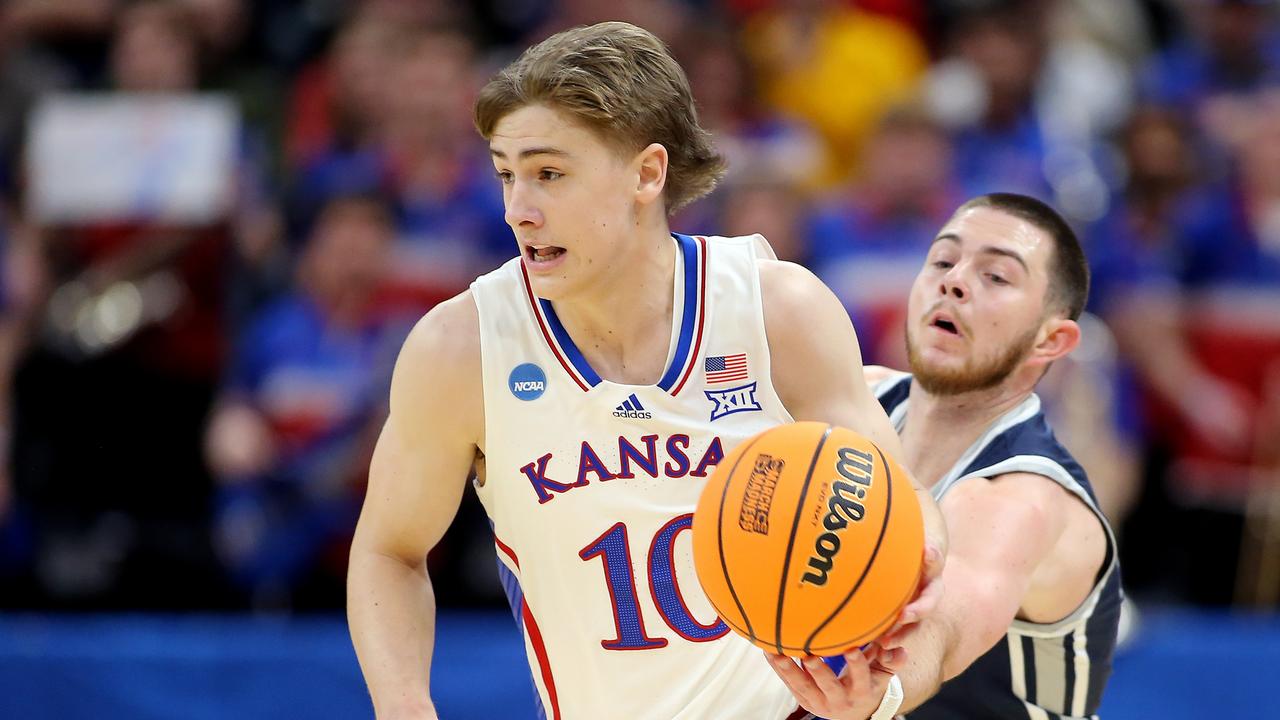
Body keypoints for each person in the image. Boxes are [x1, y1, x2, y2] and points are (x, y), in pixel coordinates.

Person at [346, 21, 945, 720]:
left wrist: (918, 571)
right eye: (507, 174)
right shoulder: (463, 347)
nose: (518, 209)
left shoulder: (777, 310)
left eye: (549, 174)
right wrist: (403, 705)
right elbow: (389, 548)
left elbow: (896, 503)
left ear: (647, 172)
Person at [766, 194, 1121, 719]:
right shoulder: (855, 403)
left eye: (996, 276)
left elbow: (948, 623)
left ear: (1052, 340)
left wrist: (880, 693)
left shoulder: (1023, 496)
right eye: (942, 260)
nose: (954, 281)